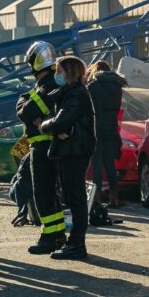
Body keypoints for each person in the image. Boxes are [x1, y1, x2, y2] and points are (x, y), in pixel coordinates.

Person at [40, 56, 97, 260]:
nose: (56, 75)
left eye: (59, 71)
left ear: (69, 73)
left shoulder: (76, 94)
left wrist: (45, 126)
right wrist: (56, 128)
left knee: (76, 198)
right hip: (71, 149)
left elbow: (60, 121)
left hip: (74, 150)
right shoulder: (70, 93)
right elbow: (60, 124)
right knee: (73, 197)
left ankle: (76, 245)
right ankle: (75, 243)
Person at [16, 41, 66, 255]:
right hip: (52, 146)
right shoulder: (52, 83)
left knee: (43, 193)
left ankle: (48, 237)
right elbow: (24, 106)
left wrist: (31, 111)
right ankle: (58, 234)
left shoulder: (46, 85)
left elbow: (24, 112)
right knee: (51, 193)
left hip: (43, 146)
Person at [86, 60, 127, 208]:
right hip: (111, 128)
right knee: (110, 164)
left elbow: (90, 109)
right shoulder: (117, 86)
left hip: (96, 127)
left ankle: (96, 198)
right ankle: (114, 198)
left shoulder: (93, 86)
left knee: (96, 164)